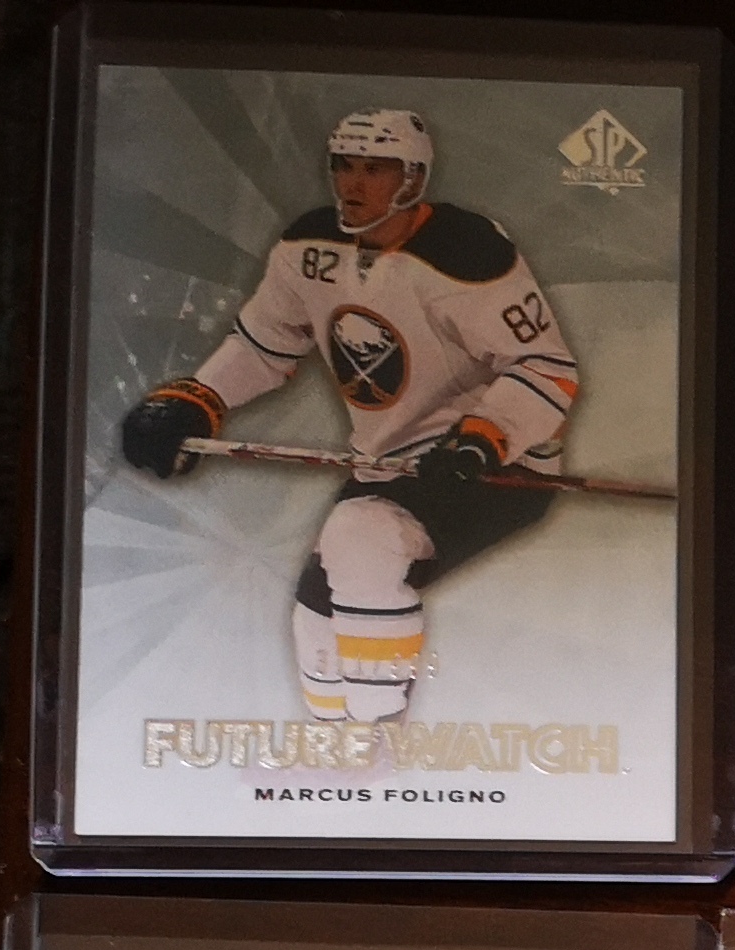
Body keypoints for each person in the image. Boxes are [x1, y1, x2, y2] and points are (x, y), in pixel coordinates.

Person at [117, 109, 580, 723]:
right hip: (387, 462)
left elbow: (546, 367)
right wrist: (196, 401)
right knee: (317, 619)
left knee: (362, 539)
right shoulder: (308, 247)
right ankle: (336, 744)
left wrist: (483, 438)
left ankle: (377, 736)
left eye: (376, 170)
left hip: (494, 465)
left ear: (413, 179)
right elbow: (265, 344)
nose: (353, 184)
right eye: (344, 166)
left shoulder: (468, 253)